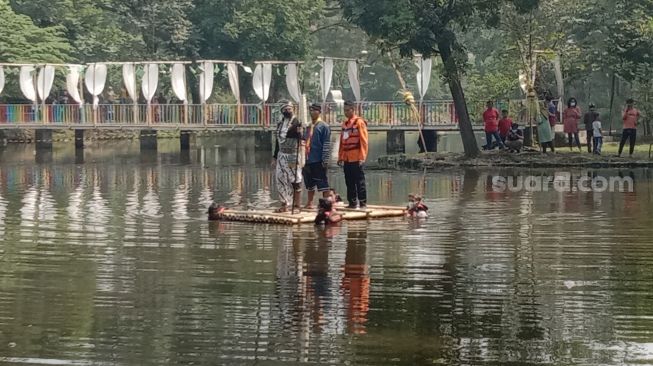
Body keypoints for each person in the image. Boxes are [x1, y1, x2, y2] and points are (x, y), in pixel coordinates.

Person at [273, 101, 304, 213]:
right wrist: (275, 157)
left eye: (289, 109)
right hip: (281, 154)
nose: (288, 111)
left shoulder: (297, 122)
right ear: (282, 111)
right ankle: (284, 203)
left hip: (292, 154)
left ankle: (296, 205)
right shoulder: (280, 123)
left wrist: (300, 132)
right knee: (280, 178)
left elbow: (302, 137)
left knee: (295, 178)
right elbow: (277, 142)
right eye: (285, 109)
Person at [338, 101, 368, 209]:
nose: (346, 112)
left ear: (353, 109)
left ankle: (363, 203)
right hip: (347, 157)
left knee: (359, 181)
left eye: (348, 110)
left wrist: (362, 157)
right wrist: (340, 156)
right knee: (349, 181)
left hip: (356, 157)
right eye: (344, 110)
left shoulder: (359, 122)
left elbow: (364, 141)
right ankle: (352, 202)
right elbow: (342, 142)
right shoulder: (345, 124)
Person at [303, 103, 331, 209]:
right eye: (310, 110)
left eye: (314, 110)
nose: (312, 112)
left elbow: (326, 144)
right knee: (309, 183)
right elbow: (303, 140)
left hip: (318, 158)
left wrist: (325, 159)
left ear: (319, 112)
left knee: (322, 182)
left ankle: (326, 204)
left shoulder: (324, 126)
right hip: (308, 158)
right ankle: (310, 202)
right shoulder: (308, 126)